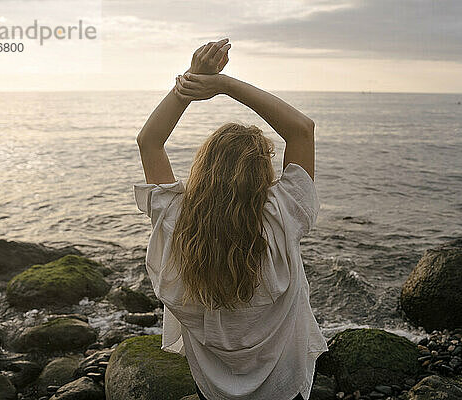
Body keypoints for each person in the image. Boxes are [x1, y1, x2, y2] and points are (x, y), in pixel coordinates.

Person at [133, 38, 328, 400]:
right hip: (284, 384)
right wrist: (224, 85)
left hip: (213, 386)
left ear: (203, 169)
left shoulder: (176, 220)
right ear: (261, 174)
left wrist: (192, 81)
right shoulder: (282, 215)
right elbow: (301, 129)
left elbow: (149, 142)